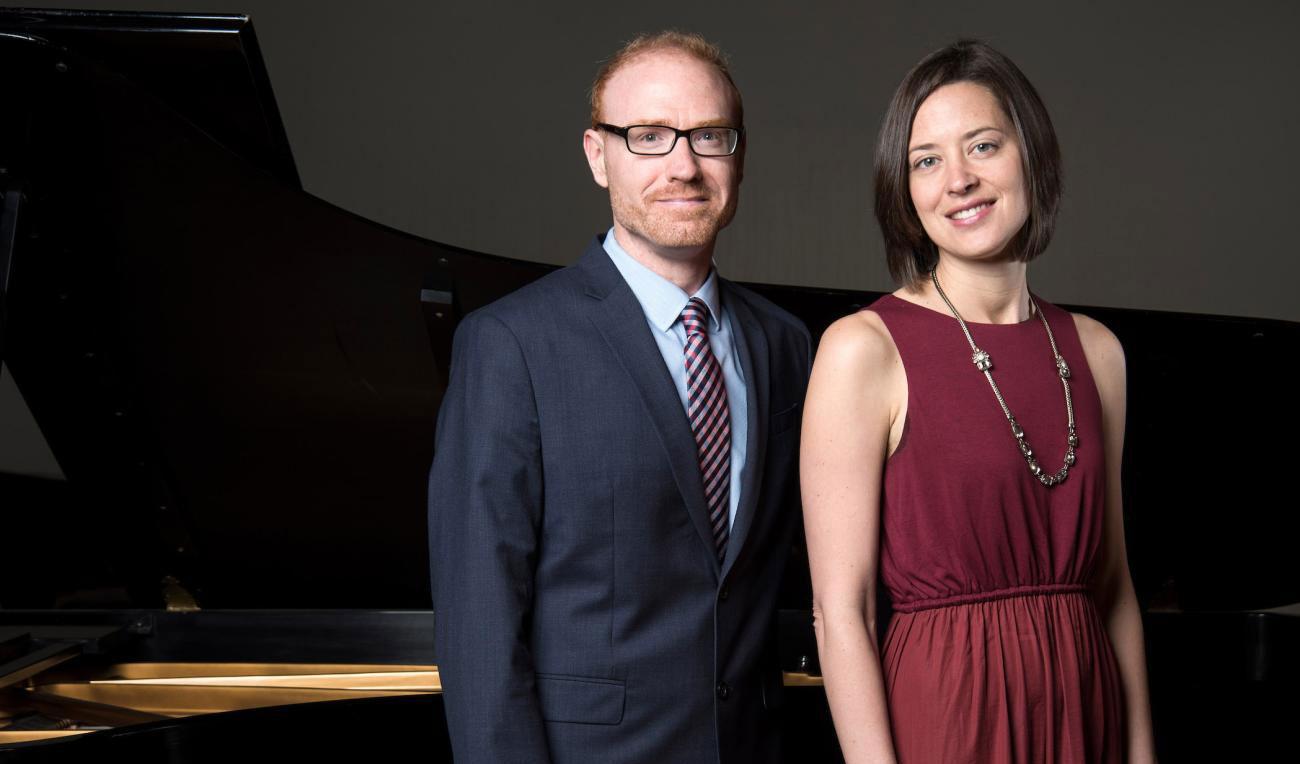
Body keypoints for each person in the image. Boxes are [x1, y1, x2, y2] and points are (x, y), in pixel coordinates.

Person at [428, 30, 811, 764]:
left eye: (709, 136)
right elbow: (480, 618)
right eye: (649, 136)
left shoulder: (786, 345)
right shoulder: (511, 344)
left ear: (739, 156)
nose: (684, 165)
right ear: (597, 155)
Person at [802, 40, 1157, 763]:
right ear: (903, 191)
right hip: (948, 715)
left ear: (1032, 156)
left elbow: (1115, 587)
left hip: (1087, 715)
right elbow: (843, 612)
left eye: (983, 146)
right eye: (926, 160)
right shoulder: (862, 349)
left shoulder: (1097, 351)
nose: (957, 179)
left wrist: (1143, 752)